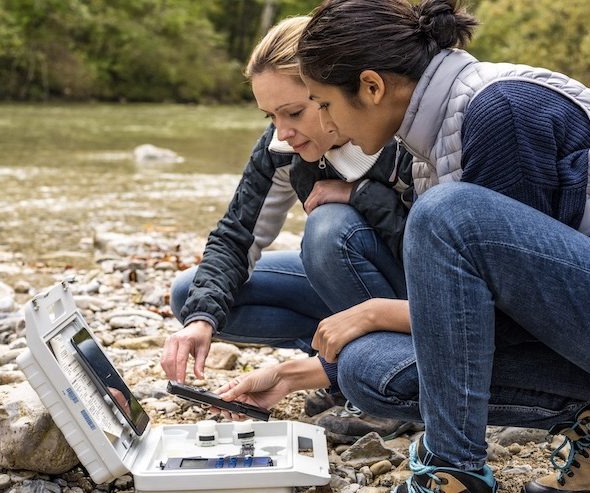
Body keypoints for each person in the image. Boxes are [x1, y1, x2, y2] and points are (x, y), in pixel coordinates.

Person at [288, 0, 590, 492]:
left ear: (371, 86)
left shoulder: (500, 110)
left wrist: (376, 312)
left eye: (323, 103)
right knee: (367, 368)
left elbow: (506, 319)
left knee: (445, 213)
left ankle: (453, 470)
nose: (324, 124)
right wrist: (323, 364)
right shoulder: (429, 134)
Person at [160, 15, 417, 441]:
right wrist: (200, 321)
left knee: (328, 229)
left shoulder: (401, 135)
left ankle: (389, 386)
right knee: (191, 296)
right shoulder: (282, 145)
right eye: (271, 115)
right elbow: (236, 236)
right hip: (351, 289)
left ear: (328, 89)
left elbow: (437, 252)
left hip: (414, 301)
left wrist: (359, 195)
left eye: (294, 111)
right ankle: (335, 373)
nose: (282, 131)